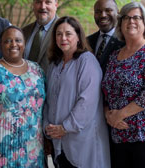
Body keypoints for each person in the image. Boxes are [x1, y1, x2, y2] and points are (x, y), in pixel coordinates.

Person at [102, 1, 145, 168]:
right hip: (120, 134)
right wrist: (108, 115)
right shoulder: (114, 56)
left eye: (137, 17)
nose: (131, 21)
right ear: (120, 23)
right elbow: (106, 91)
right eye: (126, 17)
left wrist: (120, 115)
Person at [44, 16, 111, 168]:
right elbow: (48, 99)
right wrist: (48, 126)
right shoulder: (54, 64)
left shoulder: (87, 61)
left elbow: (87, 102)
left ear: (78, 37)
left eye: (68, 33)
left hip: (82, 141)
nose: (63, 38)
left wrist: (65, 127)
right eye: (59, 34)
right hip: (58, 141)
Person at [0, 26, 46, 167]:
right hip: (0, 145)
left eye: (18, 40)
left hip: (32, 146)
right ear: (1, 45)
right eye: (8, 41)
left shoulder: (37, 70)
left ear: (24, 44)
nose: (14, 44)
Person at [22, 0, 59, 73]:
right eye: (38, 2)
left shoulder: (64, 32)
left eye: (48, 2)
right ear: (33, 5)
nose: (43, 7)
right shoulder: (24, 31)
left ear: (56, 5)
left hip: (51, 85)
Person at [87, 0, 125, 71]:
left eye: (108, 10)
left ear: (117, 12)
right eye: (98, 12)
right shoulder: (87, 41)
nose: (103, 15)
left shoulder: (125, 41)